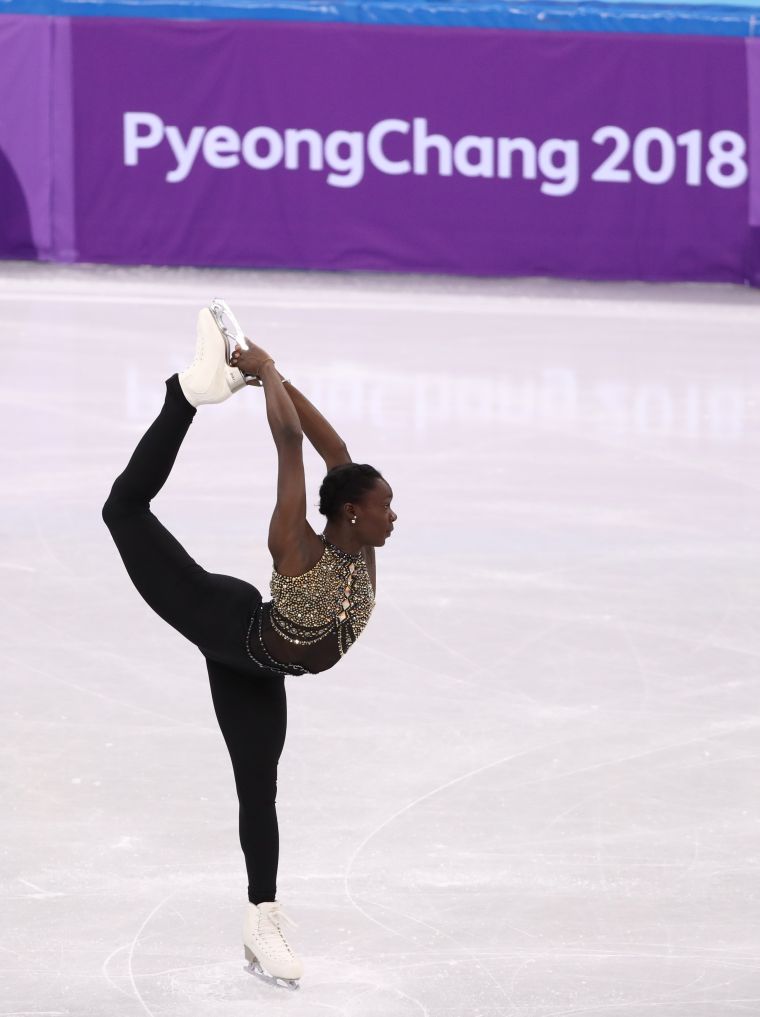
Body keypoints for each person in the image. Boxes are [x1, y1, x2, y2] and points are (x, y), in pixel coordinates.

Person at [101, 300, 396, 990]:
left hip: (259, 668)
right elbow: (292, 446)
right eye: (386, 503)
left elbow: (337, 454)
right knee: (122, 510)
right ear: (354, 512)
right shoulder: (298, 544)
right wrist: (264, 374)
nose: (394, 513)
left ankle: (262, 918)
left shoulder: (362, 547)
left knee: (256, 788)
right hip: (222, 620)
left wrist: (277, 375)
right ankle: (183, 397)